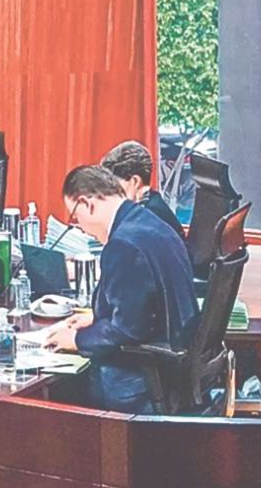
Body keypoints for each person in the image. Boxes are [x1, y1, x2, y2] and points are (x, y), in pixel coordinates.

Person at [44, 166, 199, 413]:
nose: (80, 227)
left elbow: (128, 329)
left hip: (142, 380)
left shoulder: (123, 244)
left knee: (57, 397)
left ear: (87, 203)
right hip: (176, 363)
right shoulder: (151, 222)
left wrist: (76, 339)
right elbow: (146, 303)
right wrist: (96, 316)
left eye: (75, 217)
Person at [100, 140, 185, 239]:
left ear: (135, 181)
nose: (112, 192)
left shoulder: (150, 215)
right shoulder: (152, 202)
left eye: (116, 185)